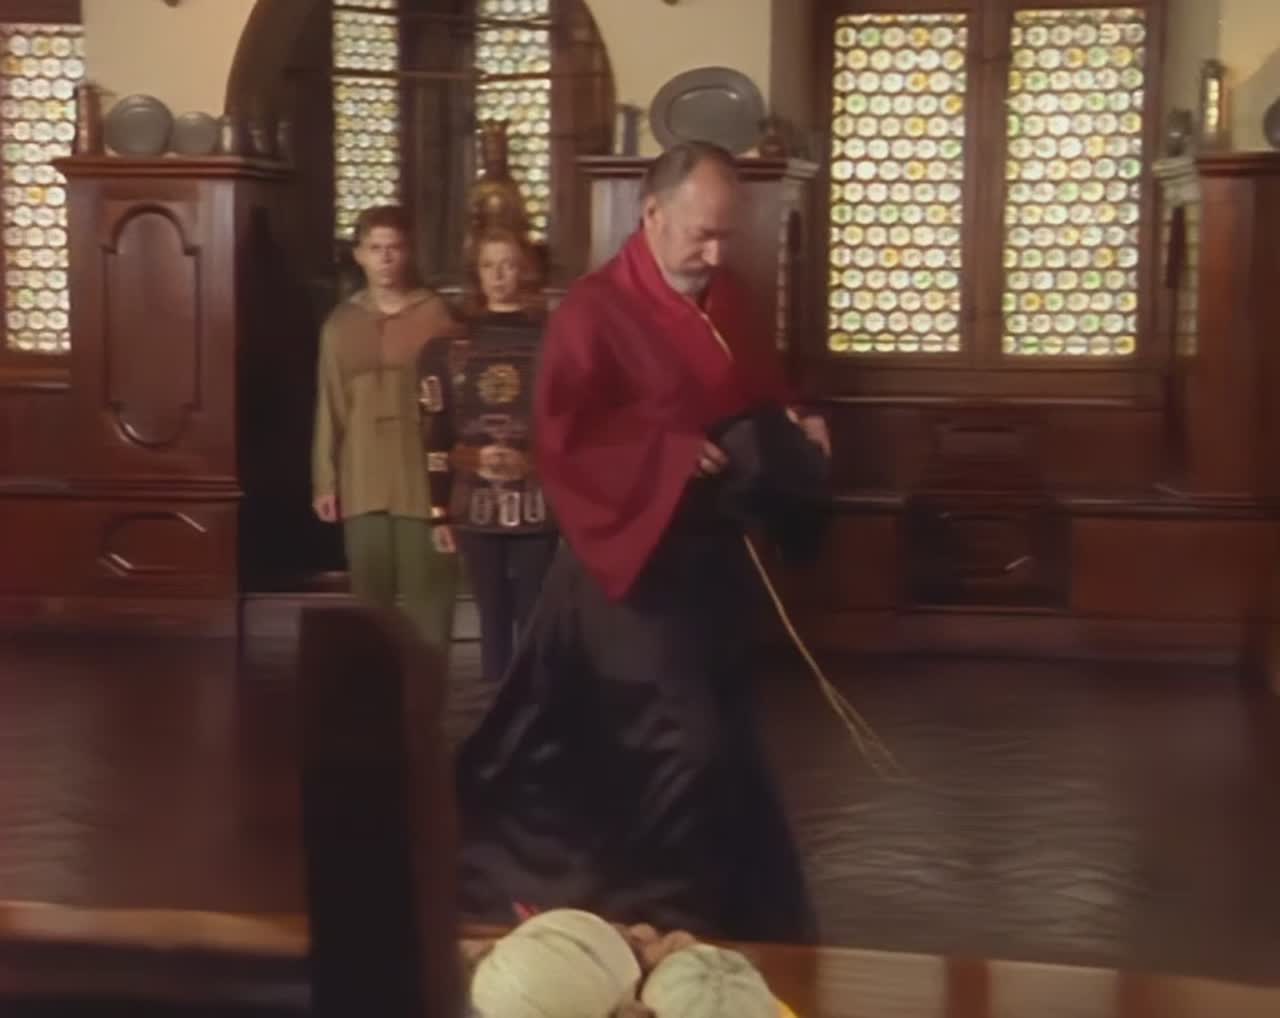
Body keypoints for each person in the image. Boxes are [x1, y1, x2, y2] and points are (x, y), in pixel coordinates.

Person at [455, 141, 831, 944]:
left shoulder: (728, 299)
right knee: (680, 746)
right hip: (624, 569)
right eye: (701, 235)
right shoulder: (593, 311)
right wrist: (666, 452)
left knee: (724, 747)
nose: (716, 254)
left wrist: (798, 420)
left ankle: (724, 921)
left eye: (725, 236)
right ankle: (655, 919)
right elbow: (561, 440)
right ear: (652, 214)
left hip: (709, 567)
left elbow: (762, 389)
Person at [311, 204, 460, 652]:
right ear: (359, 255)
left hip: (422, 480)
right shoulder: (341, 324)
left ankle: (427, 689)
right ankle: (373, 692)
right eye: (375, 248)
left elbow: (456, 403)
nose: (385, 258)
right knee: (369, 608)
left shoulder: (436, 316)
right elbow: (330, 405)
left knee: (429, 603)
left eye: (394, 248)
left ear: (408, 251)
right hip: (363, 477)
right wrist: (325, 480)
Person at [437, 228, 559, 684]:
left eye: (508, 264)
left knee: (534, 608)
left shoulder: (554, 339)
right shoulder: (452, 345)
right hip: (475, 494)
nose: (499, 275)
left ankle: (530, 704)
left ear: (525, 270)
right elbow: (436, 429)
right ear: (476, 273)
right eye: (489, 265)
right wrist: (437, 509)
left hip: (538, 494)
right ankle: (493, 702)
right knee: (490, 612)